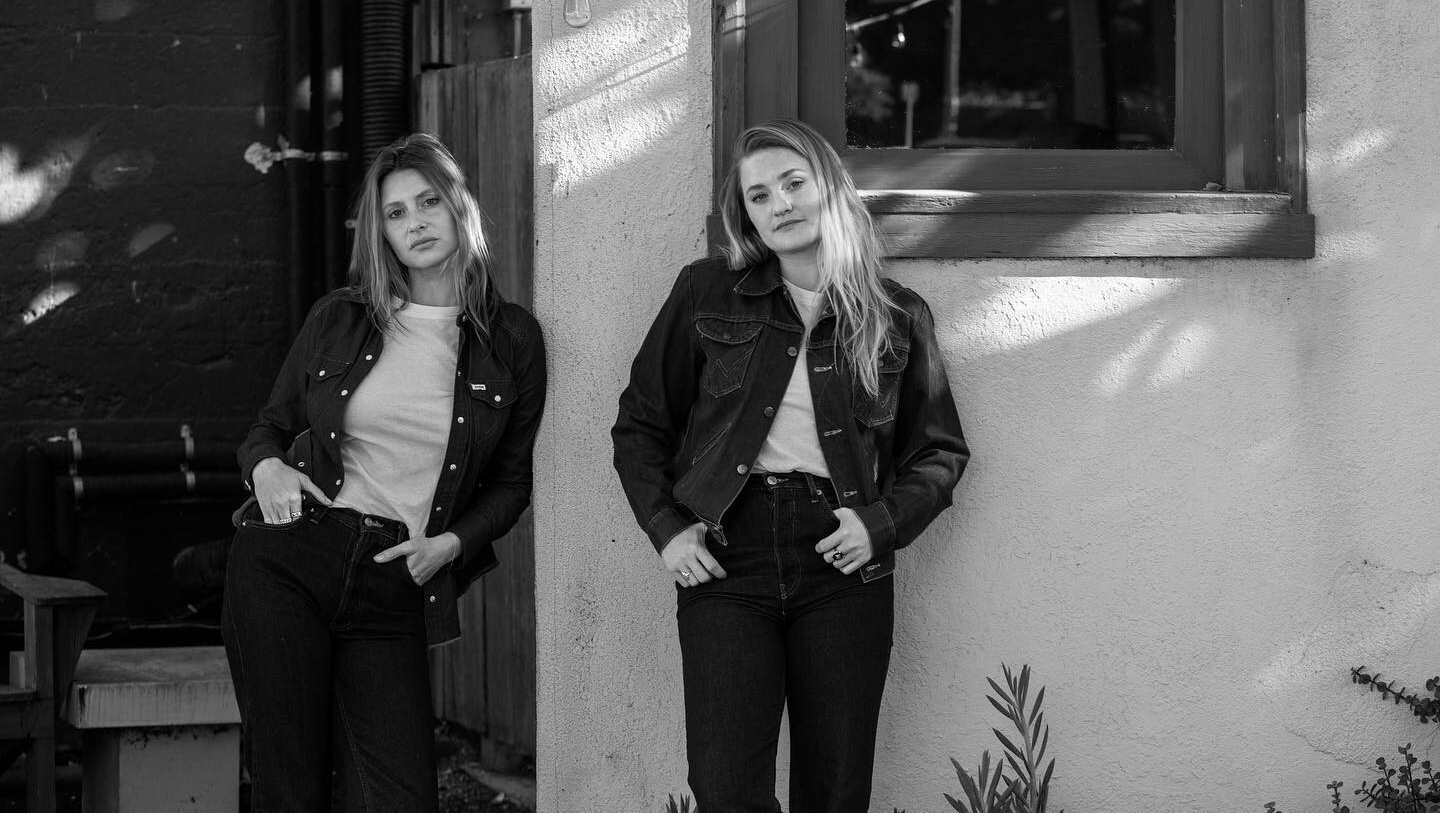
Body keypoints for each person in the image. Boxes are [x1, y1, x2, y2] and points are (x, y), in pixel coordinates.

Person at [613, 119, 969, 813]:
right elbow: (641, 425)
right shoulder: (706, 293)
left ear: (829, 187)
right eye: (759, 196)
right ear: (745, 215)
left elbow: (939, 452)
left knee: (834, 791)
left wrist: (880, 525)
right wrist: (667, 529)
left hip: (842, 562)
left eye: (793, 183)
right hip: (728, 555)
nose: (778, 204)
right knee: (725, 787)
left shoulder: (897, 316)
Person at [223, 133, 546, 812]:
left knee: (398, 797)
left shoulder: (511, 339)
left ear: (459, 208)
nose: (415, 223)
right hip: (292, 555)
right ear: (384, 235)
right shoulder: (341, 318)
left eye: (428, 203)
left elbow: (513, 483)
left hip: (394, 575)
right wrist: (266, 470)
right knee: (291, 785)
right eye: (396, 214)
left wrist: (450, 545)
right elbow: (267, 430)